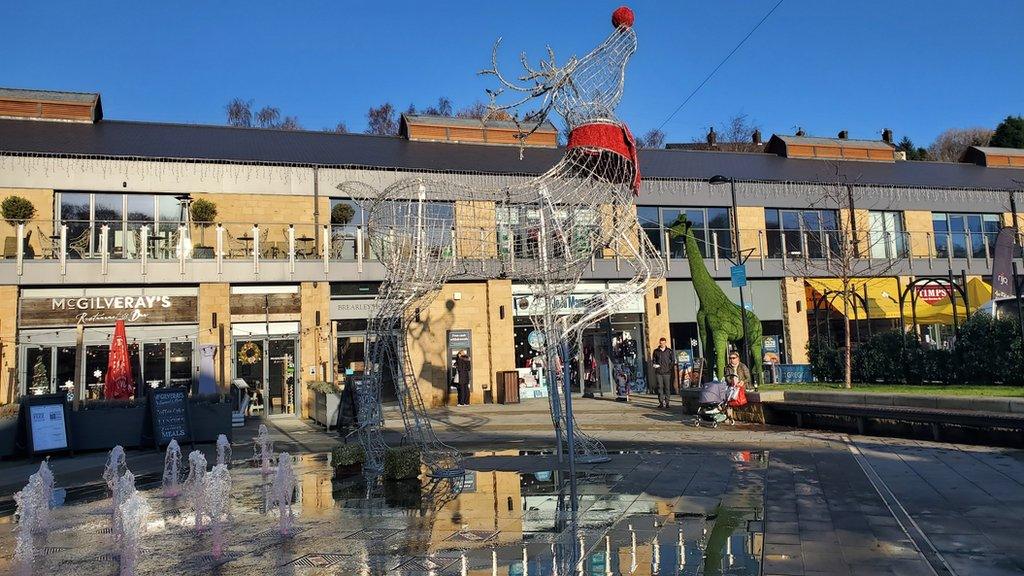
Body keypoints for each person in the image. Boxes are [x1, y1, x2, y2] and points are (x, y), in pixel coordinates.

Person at [651, 337, 675, 408]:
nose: (662, 344)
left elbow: (673, 360)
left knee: (667, 388)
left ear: (665, 343)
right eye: (661, 343)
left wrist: (669, 368)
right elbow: (654, 360)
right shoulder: (656, 351)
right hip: (659, 372)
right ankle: (661, 402)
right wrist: (655, 365)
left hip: (667, 372)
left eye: (663, 343)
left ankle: (667, 402)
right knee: (660, 387)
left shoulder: (669, 351)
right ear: (659, 343)